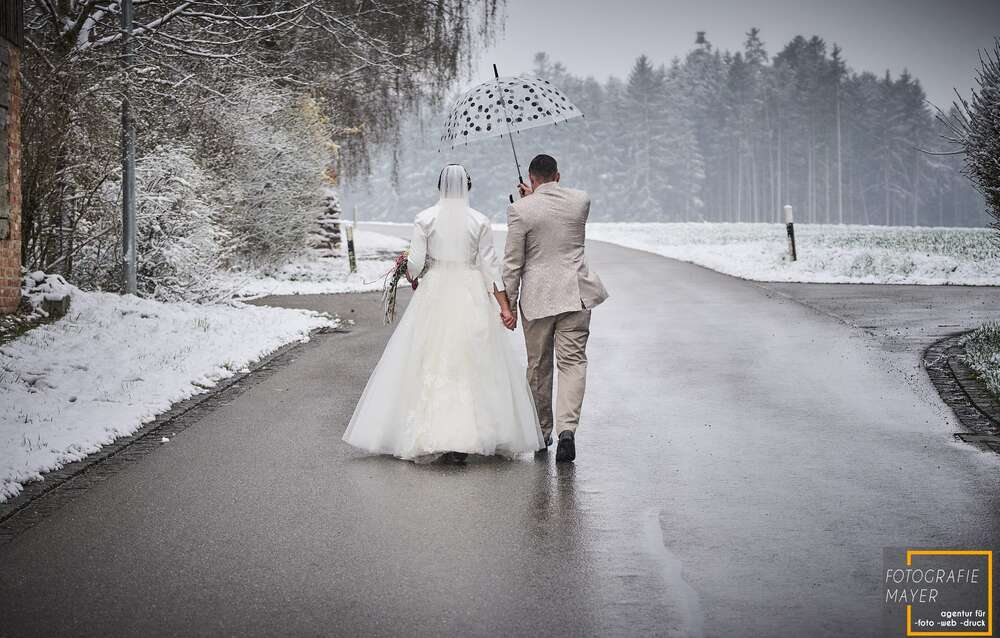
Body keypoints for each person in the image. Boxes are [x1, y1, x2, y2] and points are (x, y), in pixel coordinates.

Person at [342, 164, 544, 463]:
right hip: (470, 290)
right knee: (473, 360)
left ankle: (435, 433)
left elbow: (416, 264)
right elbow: (490, 267)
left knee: (430, 359)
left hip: (435, 290)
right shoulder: (479, 221)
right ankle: (475, 433)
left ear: (439, 188)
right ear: (469, 188)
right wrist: (504, 306)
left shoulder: (425, 218)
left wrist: (407, 268)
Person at [503, 154, 609, 463]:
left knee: (539, 366)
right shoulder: (581, 201)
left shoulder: (519, 211)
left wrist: (508, 304)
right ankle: (567, 431)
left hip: (537, 299)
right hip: (575, 294)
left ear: (531, 179)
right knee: (573, 363)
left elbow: (512, 263)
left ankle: (541, 432)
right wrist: (535, 196)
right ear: (558, 175)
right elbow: (554, 213)